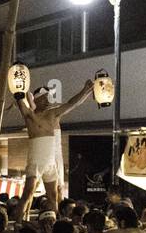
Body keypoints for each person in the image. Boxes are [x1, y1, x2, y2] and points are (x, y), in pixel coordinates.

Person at [16, 82, 94, 221]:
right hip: (36, 162)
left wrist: (85, 90)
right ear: (37, 99)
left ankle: (56, 222)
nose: (48, 100)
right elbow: (21, 103)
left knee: (53, 196)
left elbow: (72, 104)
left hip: (51, 162)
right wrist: (18, 87)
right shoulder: (30, 115)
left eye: (48, 97)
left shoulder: (53, 113)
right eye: (45, 97)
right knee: (27, 194)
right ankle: (18, 223)